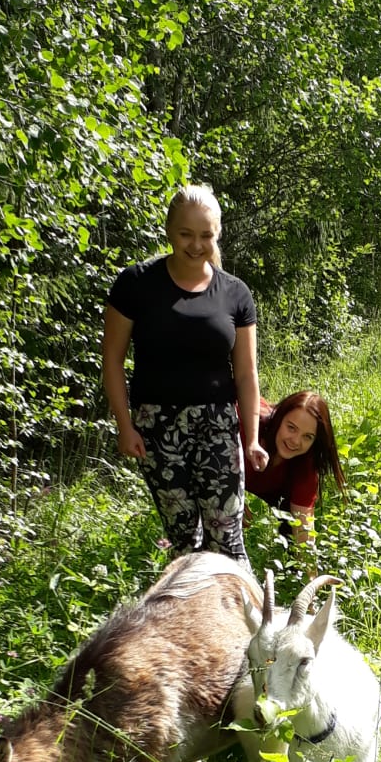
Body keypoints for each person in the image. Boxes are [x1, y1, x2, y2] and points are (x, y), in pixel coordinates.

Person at [102, 184, 267, 561]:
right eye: (185, 234)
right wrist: (125, 426)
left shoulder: (235, 293)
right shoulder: (136, 284)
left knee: (227, 541)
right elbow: (112, 360)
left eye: (205, 235)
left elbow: (246, 373)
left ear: (217, 234)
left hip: (218, 427)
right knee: (184, 544)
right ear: (168, 231)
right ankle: (188, 617)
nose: (195, 244)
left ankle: (242, 618)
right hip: (157, 429)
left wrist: (251, 438)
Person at [246, 390, 345, 546]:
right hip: (216, 472)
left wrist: (308, 568)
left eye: (307, 437)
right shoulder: (248, 431)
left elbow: (304, 533)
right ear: (279, 419)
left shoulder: (305, 464)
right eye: (291, 428)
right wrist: (228, 496)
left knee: (293, 533)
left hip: (275, 487)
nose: (295, 441)